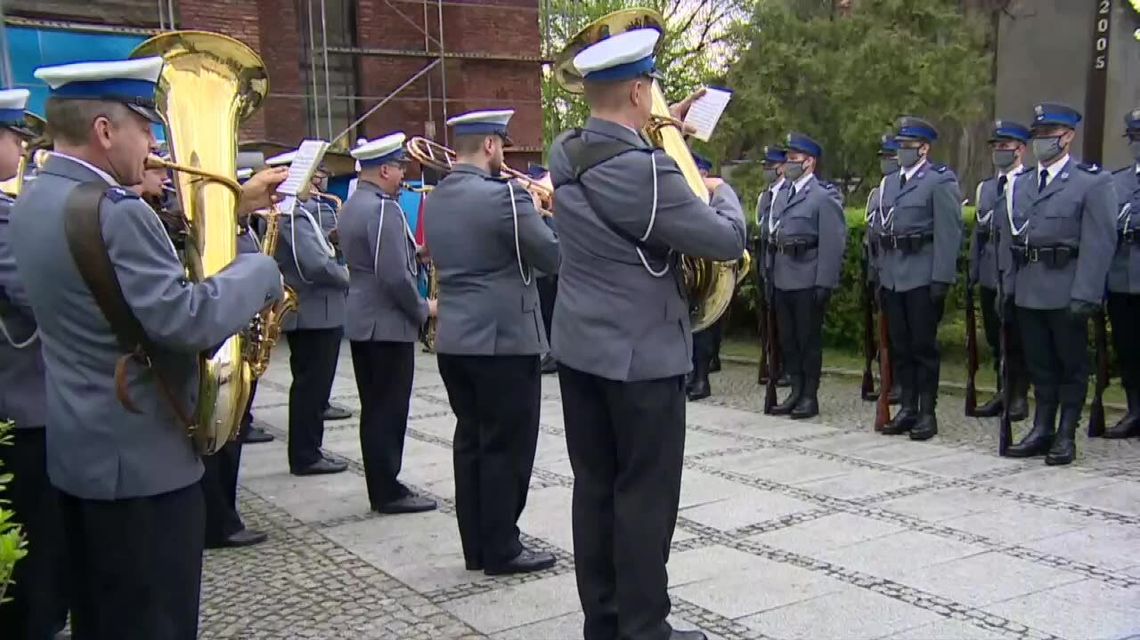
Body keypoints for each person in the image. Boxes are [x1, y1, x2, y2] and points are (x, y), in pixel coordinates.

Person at [11, 57, 285, 640]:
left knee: (102, 619)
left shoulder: (32, 202)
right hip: (144, 468)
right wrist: (258, 270)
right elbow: (187, 322)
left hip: (80, 457)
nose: (157, 142)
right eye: (146, 125)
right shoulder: (118, 212)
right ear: (105, 131)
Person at [548, 29, 746, 640]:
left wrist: (667, 124)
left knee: (596, 492)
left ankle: (603, 623)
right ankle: (644, 628)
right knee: (645, 500)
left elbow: (621, 140)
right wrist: (722, 194)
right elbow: (726, 241)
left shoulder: (565, 149)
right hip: (642, 359)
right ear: (639, 90)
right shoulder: (650, 172)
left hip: (581, 350)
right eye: (652, 91)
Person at [423, 108, 560, 575]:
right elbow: (551, 256)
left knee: (472, 442)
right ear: (489, 146)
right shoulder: (506, 197)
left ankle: (477, 546)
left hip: (456, 338)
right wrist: (547, 210)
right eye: (502, 143)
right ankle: (503, 547)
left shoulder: (435, 196)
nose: (503, 153)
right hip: (504, 339)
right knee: (508, 446)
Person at [1000, 103, 1116, 464]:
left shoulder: (1091, 182)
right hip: (1030, 289)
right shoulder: (1022, 184)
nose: (1041, 143)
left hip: (1067, 289)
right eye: (1037, 136)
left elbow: (1100, 242)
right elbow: (1011, 240)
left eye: (1048, 136)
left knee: (1071, 366)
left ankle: (1066, 433)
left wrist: (1087, 293)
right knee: (1040, 365)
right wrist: (1009, 289)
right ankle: (1042, 428)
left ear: (1067, 137)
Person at [0, 88, 68, 640]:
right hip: (22, 402)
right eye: (13, 135)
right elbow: (36, 296)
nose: (23, 145)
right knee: (37, 544)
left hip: (24, 395)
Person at [340, 132, 438, 514]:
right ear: (384, 169)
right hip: (386, 323)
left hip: (365, 319)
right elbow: (393, 274)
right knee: (389, 408)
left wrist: (418, 251)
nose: (402, 176)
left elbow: (379, 255)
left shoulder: (353, 205)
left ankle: (381, 483)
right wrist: (422, 309)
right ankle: (387, 490)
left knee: (375, 407)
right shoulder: (385, 209)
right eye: (399, 168)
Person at [872, 116, 963, 441]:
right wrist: (881, 275)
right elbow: (882, 232)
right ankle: (908, 407)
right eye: (899, 146)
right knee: (901, 347)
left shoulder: (939, 181)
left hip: (922, 276)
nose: (901, 152)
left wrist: (942, 278)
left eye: (908, 146)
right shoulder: (890, 183)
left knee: (924, 347)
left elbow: (948, 233)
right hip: (895, 276)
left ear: (924, 148)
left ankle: (927, 411)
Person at [267, 149, 351, 476]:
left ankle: (308, 450)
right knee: (311, 388)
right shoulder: (291, 214)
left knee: (312, 387)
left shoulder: (299, 211)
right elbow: (314, 264)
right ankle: (306, 454)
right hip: (314, 311)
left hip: (316, 310)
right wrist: (348, 277)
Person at [767, 133, 847, 419]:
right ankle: (795, 390)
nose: (788, 164)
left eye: (794, 159)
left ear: (809, 162)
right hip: (783, 275)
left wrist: (825, 281)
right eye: (787, 159)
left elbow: (833, 242)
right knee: (788, 339)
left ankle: (809, 397)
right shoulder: (783, 194)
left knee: (807, 340)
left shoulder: (823, 197)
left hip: (807, 276)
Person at [968, 120, 1031, 421]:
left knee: (1016, 337)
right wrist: (973, 271)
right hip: (991, 273)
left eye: (1005, 147)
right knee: (995, 337)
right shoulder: (986, 188)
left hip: (1015, 273)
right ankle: (1002, 389)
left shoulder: (1028, 184)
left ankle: (1018, 395)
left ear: (1020, 149)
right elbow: (979, 234)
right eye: (996, 147)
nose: (999, 152)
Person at [1104, 108, 1140, 439]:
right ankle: (1135, 410)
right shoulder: (1117, 181)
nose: (1137, 144)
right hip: (1120, 279)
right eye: (1134, 138)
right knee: (1127, 349)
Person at [866, 134, 901, 405]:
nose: (885, 163)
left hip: (901, 272)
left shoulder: (903, 190)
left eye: (890, 157)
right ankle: (887, 379)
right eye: (883, 158)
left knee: (901, 334)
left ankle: (899, 384)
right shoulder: (877, 194)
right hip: (881, 271)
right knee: (885, 334)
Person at [686, 151, 723, 402]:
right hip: (689, 271)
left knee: (704, 329)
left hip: (709, 273)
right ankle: (690, 374)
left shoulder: (716, 199)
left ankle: (702, 377)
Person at [754, 145, 789, 388]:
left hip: (785, 265)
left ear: (782, 167)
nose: (767, 171)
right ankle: (772, 363)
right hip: (766, 264)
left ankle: (786, 367)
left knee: (786, 322)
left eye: (771, 167)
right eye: (765, 167)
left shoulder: (789, 193)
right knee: (769, 320)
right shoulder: (765, 196)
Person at [528, 163, 561, 374]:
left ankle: (553, 353)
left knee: (550, 312)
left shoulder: (549, 210)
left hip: (549, 271)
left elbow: (549, 241)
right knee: (546, 312)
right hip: (542, 271)